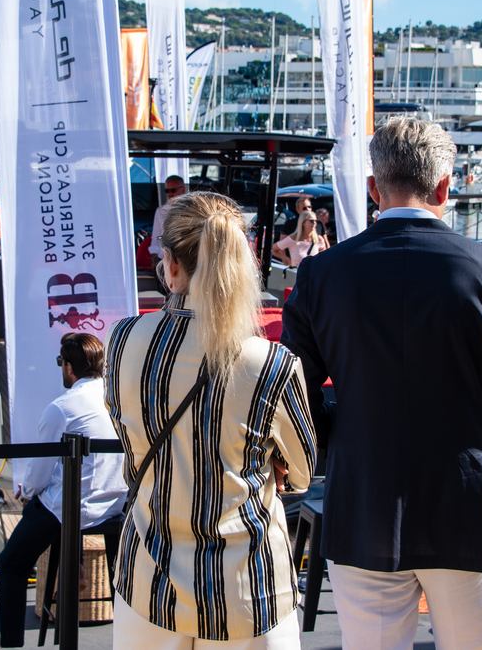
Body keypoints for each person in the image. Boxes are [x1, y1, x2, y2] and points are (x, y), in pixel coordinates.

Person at [280, 118, 482, 650]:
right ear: (445, 188)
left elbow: (294, 396)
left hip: (363, 497)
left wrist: (344, 430)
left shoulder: (323, 274)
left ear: (375, 189)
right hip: (467, 505)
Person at [106, 191, 317, 647]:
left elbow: (125, 428)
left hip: (149, 580)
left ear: (171, 265)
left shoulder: (123, 342)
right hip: (247, 588)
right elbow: (301, 472)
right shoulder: (271, 362)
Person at [0, 333, 126, 647]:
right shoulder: (119, 397)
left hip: (70, 509)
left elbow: (39, 474)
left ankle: (12, 643)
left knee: (10, 564)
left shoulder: (63, 408)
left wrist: (26, 490)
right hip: (116, 506)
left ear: (68, 367)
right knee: (60, 499)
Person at [146, 174, 187, 263]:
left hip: (186, 258)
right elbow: (156, 236)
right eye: (167, 191)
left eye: (173, 190)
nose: (170, 194)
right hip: (165, 259)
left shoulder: (192, 208)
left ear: (183, 189)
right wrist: (154, 257)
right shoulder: (160, 211)